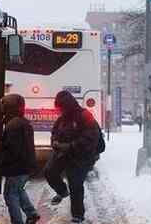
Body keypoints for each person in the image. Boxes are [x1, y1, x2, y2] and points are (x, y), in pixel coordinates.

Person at [44, 90, 100, 223]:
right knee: (49, 172)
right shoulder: (62, 118)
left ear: (68, 105)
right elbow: (54, 132)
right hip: (64, 153)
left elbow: (90, 138)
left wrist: (70, 146)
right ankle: (62, 191)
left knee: (75, 183)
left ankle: (78, 215)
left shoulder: (85, 116)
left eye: (61, 107)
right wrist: (55, 142)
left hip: (82, 156)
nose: (60, 110)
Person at [0, 94, 41, 224]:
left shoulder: (13, 126)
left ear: (8, 108)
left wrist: (1, 162)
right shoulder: (23, 122)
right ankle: (31, 213)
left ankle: (17, 221)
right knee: (18, 190)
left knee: (10, 195)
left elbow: (13, 150)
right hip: (25, 167)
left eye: (4, 107)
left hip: (16, 168)